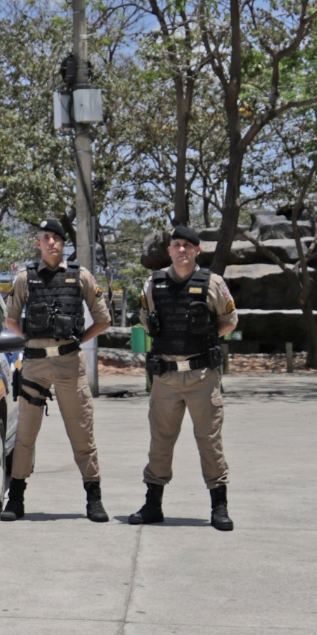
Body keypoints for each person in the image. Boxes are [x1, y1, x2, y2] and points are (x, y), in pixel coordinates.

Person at [2, 219, 112, 522]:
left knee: (81, 432)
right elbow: (10, 320)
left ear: (64, 244)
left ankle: (94, 498)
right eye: (46, 238)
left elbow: (104, 320)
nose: (51, 242)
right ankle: (16, 499)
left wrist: (79, 340)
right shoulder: (26, 278)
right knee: (25, 435)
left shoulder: (81, 277)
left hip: (68, 364)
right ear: (38, 243)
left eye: (57, 238)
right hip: (36, 365)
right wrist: (29, 341)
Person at [133, 226, 237, 531]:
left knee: (209, 441)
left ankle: (219, 507)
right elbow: (146, 320)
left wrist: (204, 337)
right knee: (160, 442)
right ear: (169, 251)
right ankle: (153, 504)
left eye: (188, 246)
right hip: (165, 376)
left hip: (201, 375)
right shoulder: (154, 283)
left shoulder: (212, 283)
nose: (182, 250)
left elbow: (230, 320)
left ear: (197, 250)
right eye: (176, 245)